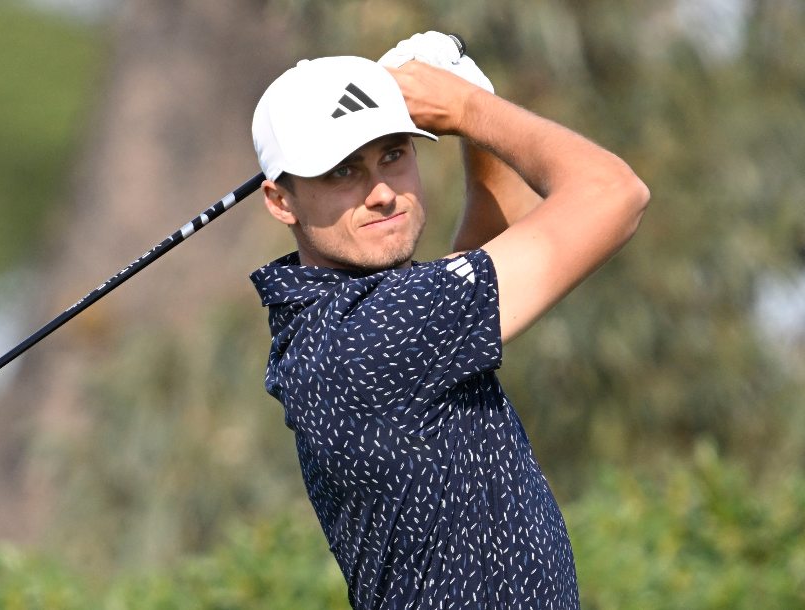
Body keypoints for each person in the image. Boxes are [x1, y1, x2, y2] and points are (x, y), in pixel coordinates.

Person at [248, 32, 649, 609]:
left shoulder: (339, 319)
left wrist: (469, 113)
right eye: (342, 172)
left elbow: (505, 233)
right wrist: (468, 109)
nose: (382, 192)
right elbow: (616, 194)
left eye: (393, 154)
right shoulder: (371, 331)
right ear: (280, 200)